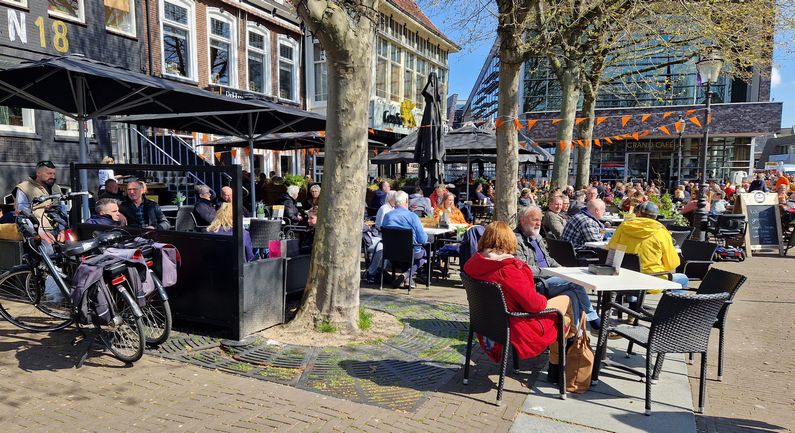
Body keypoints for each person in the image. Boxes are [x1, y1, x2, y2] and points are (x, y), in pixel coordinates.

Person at [463, 221, 574, 372]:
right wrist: (543, 298)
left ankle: (568, 349)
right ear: (509, 240)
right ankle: (561, 362)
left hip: (487, 324)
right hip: (517, 325)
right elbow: (534, 306)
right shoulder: (508, 270)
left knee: (569, 311)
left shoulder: (472, 264)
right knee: (567, 301)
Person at [515, 206, 601, 330]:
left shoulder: (537, 236)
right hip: (537, 284)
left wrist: (562, 270)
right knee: (574, 282)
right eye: (535, 220)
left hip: (551, 277)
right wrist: (550, 272)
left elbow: (548, 259)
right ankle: (593, 317)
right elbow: (523, 269)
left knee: (572, 294)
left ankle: (574, 337)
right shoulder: (516, 240)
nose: (539, 223)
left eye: (540, 219)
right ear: (523, 220)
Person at [607, 201, 689, 290]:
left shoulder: (623, 227)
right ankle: (673, 303)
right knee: (683, 279)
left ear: (638, 213)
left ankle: (632, 299)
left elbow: (611, 248)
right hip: (652, 279)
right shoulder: (661, 232)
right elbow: (672, 264)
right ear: (656, 216)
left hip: (625, 277)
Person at [381, 190, 428, 288]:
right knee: (424, 254)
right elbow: (423, 239)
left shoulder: (387, 216)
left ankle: (408, 279)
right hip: (410, 252)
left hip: (390, 252)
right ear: (406, 201)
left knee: (405, 255)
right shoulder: (412, 216)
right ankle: (406, 275)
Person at [14, 160, 67, 233]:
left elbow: (63, 209)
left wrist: (62, 230)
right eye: (49, 173)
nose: (53, 176)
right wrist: (38, 233)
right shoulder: (24, 187)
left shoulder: (56, 188)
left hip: (57, 230)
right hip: (37, 231)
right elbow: (22, 213)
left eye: (54, 174)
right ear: (38, 173)